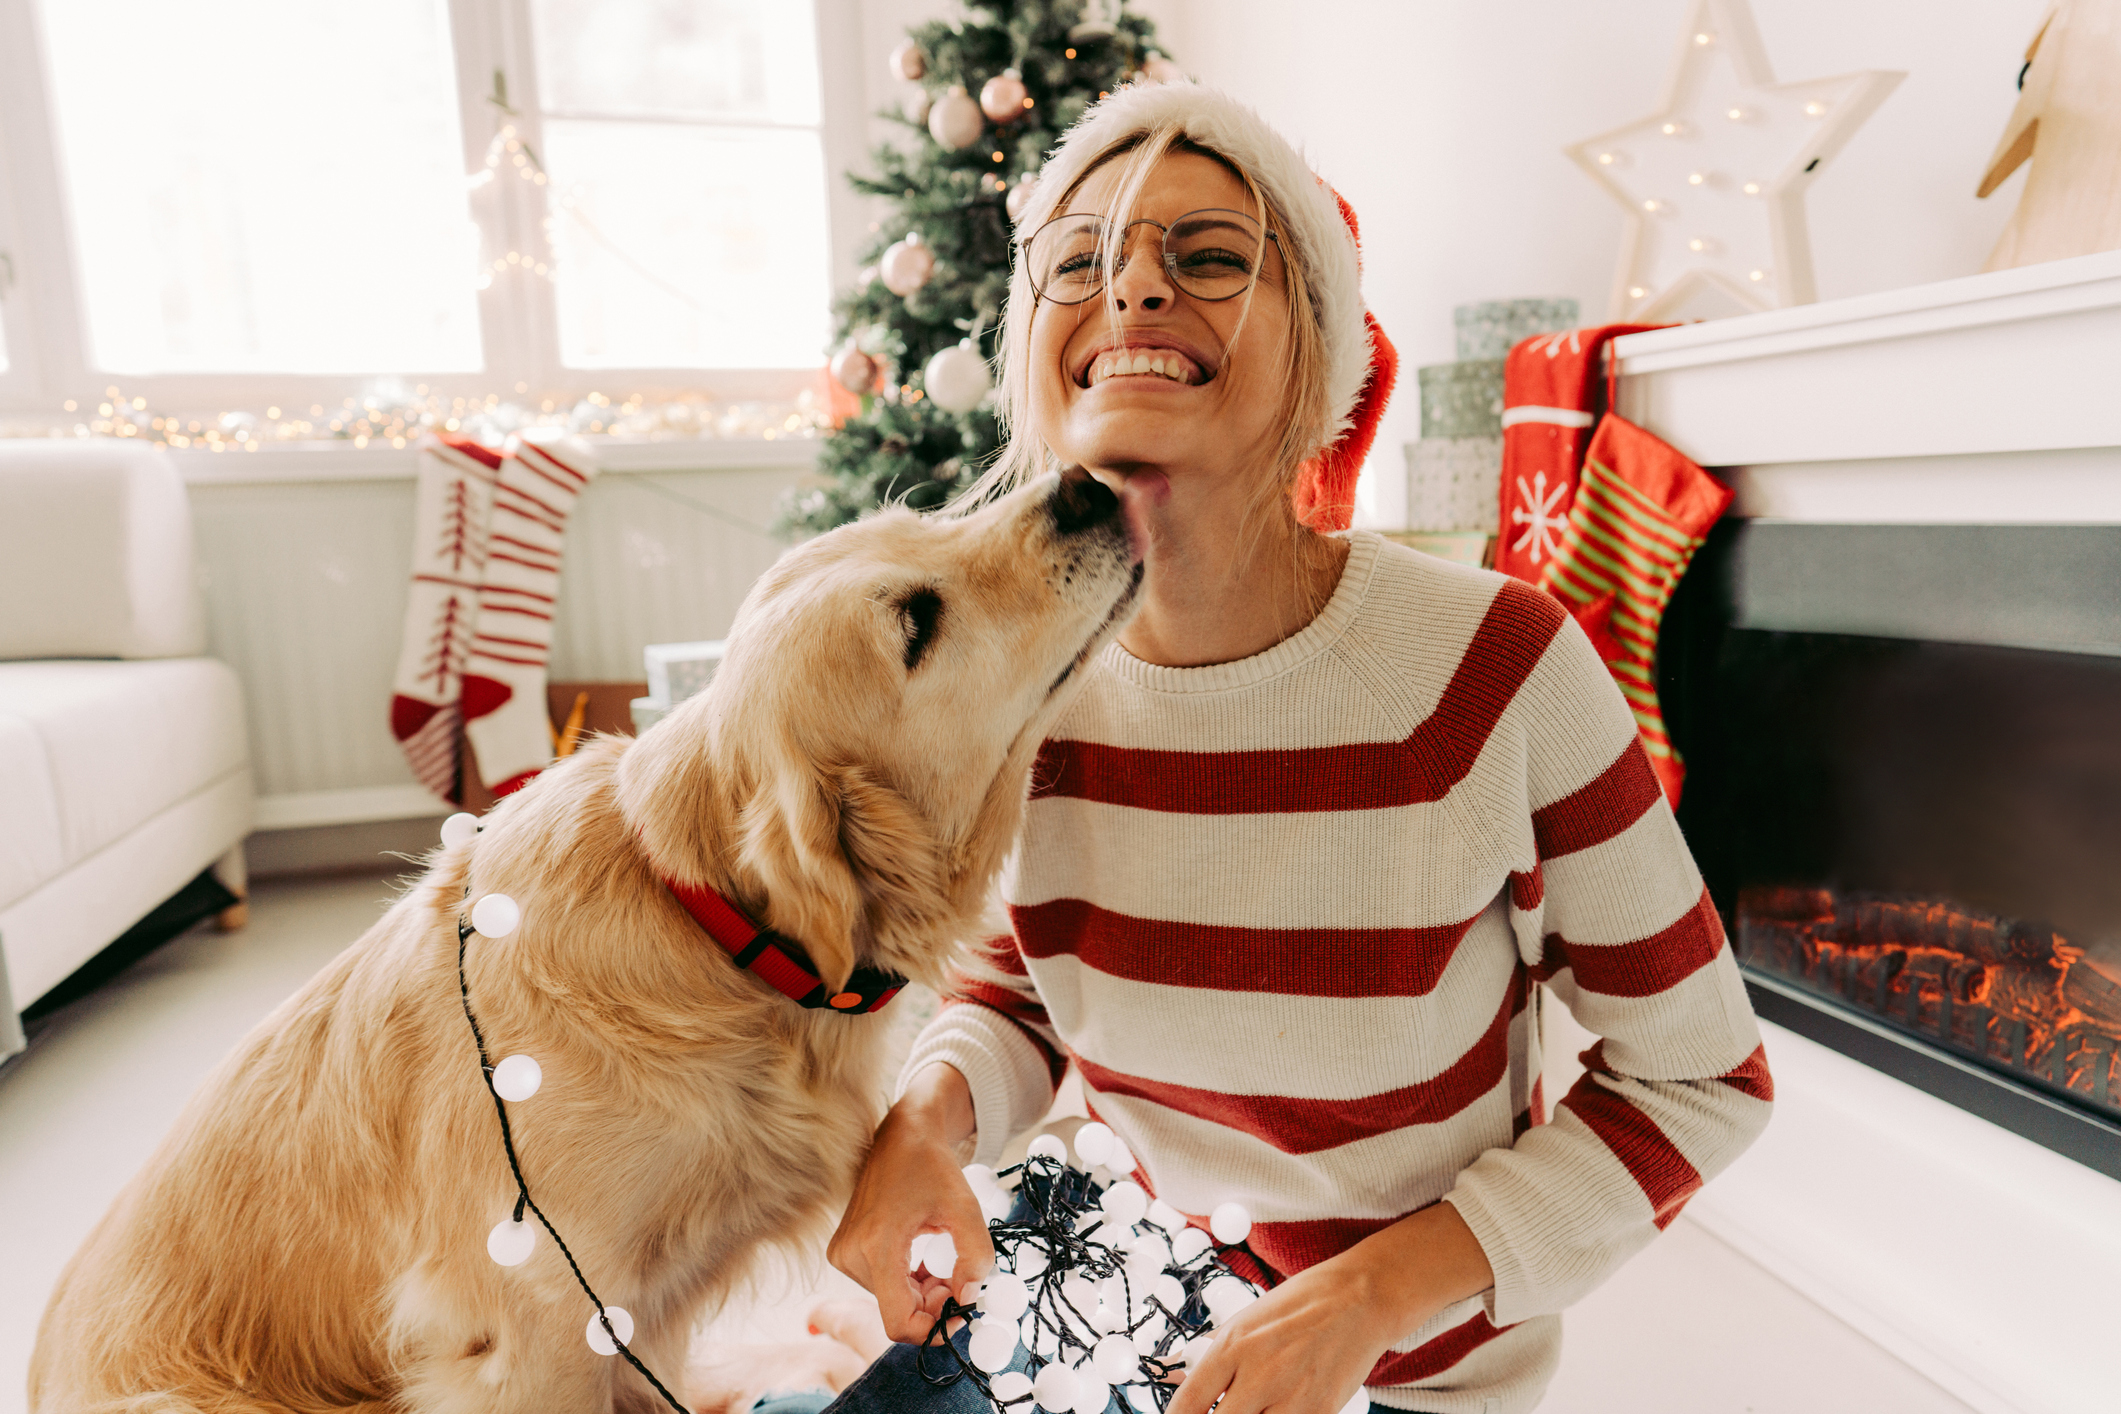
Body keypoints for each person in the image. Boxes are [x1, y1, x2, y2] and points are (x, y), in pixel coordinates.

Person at [817, 82, 1774, 1414]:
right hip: (1111, 1301)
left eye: (1206, 257)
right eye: (1079, 261)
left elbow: (1698, 1077)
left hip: (1406, 1384)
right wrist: (927, 1119)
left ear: (1317, 352)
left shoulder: (1495, 668)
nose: (1134, 288)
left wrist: (1373, 1293)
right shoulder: (1015, 684)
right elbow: (1020, 988)